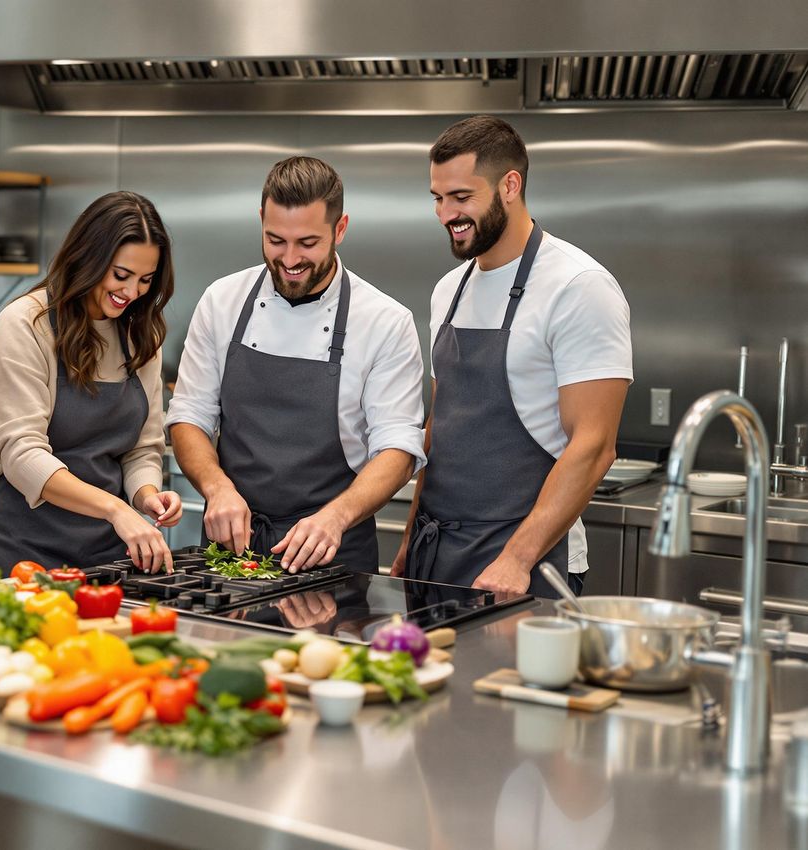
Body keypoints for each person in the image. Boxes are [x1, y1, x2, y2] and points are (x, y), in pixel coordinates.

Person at [393, 115, 632, 597]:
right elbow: (442, 428)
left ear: (510, 185)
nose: (445, 214)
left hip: (523, 561)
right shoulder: (449, 290)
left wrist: (517, 559)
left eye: (461, 197)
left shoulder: (578, 287)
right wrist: (408, 539)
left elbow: (594, 447)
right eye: (438, 198)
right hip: (435, 550)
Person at [167, 156, 426, 574]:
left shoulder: (384, 321)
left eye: (307, 243)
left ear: (340, 229)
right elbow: (188, 416)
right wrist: (217, 488)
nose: (289, 259)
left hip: (330, 552)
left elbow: (397, 447)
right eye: (275, 240)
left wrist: (336, 517)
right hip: (230, 547)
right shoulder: (222, 301)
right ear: (261, 221)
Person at [0, 191, 181, 574]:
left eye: (145, 280)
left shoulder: (140, 334)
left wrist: (146, 495)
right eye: (121, 275)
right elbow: (21, 455)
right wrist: (116, 508)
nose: (132, 292)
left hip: (109, 551)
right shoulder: (26, 323)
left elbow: (141, 449)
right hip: (25, 546)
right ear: (88, 257)